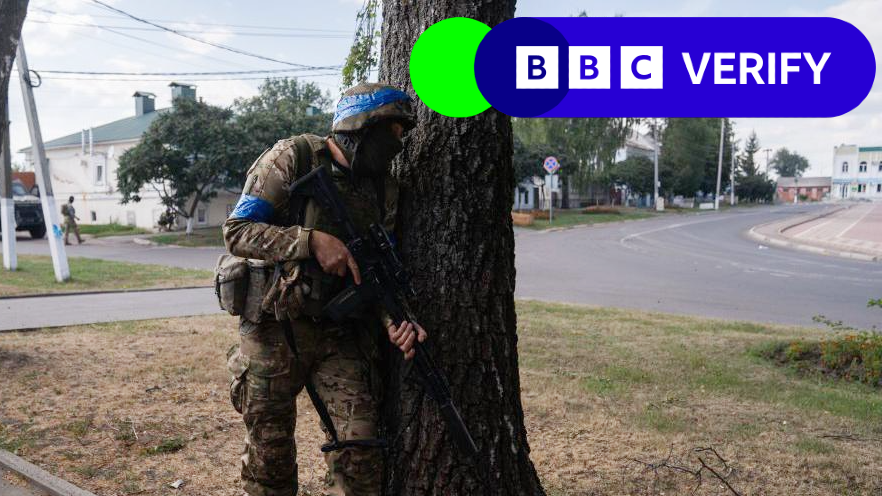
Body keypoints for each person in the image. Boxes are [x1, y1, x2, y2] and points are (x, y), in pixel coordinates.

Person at [223, 83, 427, 496]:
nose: (398, 144)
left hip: (339, 336)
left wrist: (396, 320)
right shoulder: (292, 158)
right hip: (273, 331)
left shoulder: (383, 189)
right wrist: (310, 241)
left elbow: (375, 270)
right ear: (361, 128)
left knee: (362, 454)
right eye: (393, 132)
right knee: (271, 461)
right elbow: (236, 231)